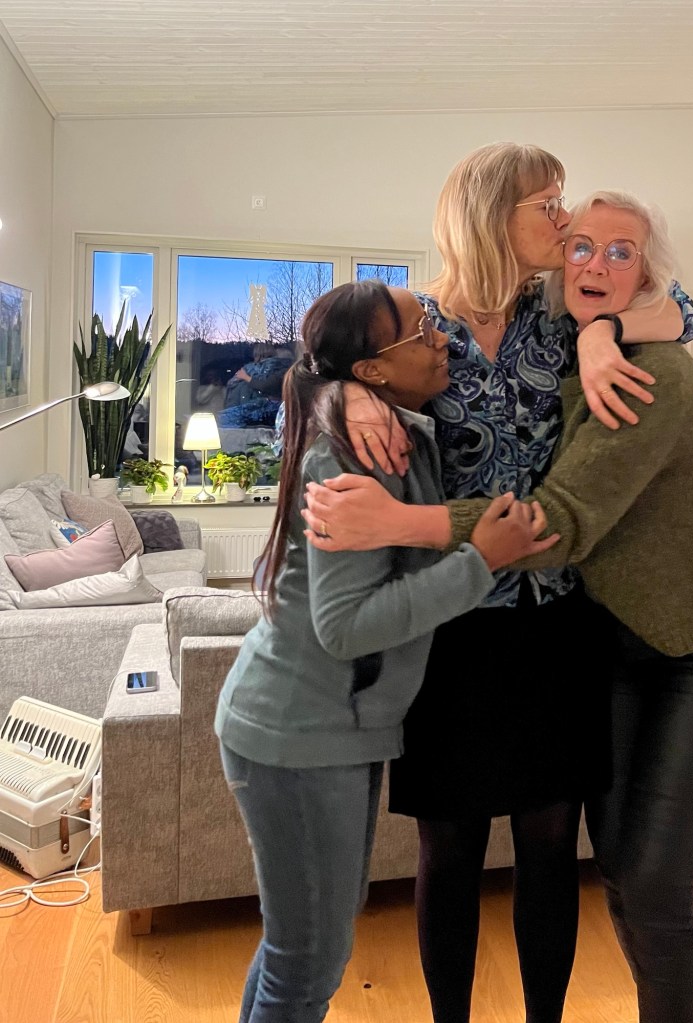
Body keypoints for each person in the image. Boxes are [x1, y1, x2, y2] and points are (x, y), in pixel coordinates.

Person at [306, 190, 693, 1023]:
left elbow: (683, 309)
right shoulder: (419, 323)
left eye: (609, 244)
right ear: (493, 215)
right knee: (459, 846)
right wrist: (342, 393)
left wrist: (601, 331)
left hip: (572, 619)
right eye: (552, 209)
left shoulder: (566, 322)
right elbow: (319, 359)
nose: (569, 236)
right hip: (461, 622)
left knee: (579, 852)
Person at [214, 279, 556, 1023]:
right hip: (297, 731)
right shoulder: (349, 454)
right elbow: (346, 626)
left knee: (298, 947)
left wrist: (336, 390)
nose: (441, 338)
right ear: (372, 369)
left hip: (329, 727)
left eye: (432, 320)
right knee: (308, 962)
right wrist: (482, 562)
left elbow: (306, 376)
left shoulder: (392, 425)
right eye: (419, 331)